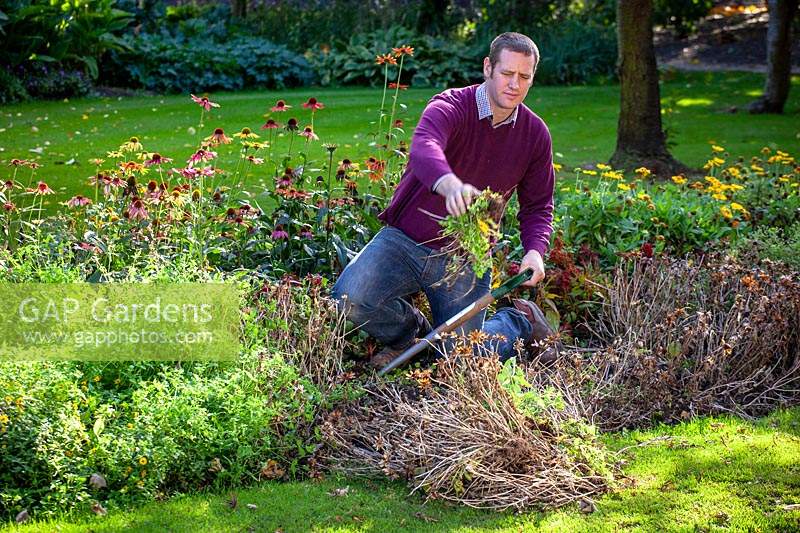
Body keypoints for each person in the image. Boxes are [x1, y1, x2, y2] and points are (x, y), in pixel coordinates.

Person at [332, 32, 557, 368]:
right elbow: (424, 147)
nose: (514, 84)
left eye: (524, 77)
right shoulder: (450, 106)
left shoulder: (534, 135)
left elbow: (538, 205)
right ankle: (412, 336)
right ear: (487, 68)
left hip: (465, 256)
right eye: (507, 73)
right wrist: (450, 185)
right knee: (349, 299)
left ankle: (518, 321)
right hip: (405, 240)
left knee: (463, 363)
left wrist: (535, 251)